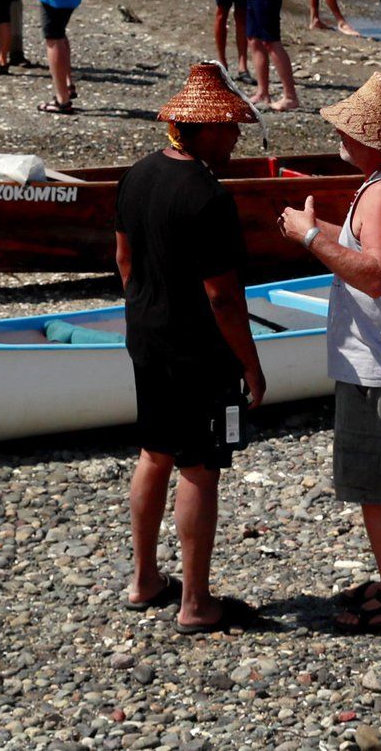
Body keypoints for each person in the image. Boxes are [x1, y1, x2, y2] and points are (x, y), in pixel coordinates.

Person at [274, 74, 381, 634]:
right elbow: (371, 249)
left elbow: (376, 274)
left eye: (349, 126)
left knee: (375, 486)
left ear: (372, 137)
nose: (340, 132)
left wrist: (310, 240)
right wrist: (314, 226)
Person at [116, 64, 268, 636]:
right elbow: (223, 297)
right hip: (196, 350)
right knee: (200, 468)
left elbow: (125, 259)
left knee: (154, 452)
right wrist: (251, 365)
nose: (234, 136)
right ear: (200, 128)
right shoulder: (208, 196)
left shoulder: (137, 175)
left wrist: (144, 308)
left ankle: (145, 579)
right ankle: (197, 602)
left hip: (148, 339)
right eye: (228, 127)